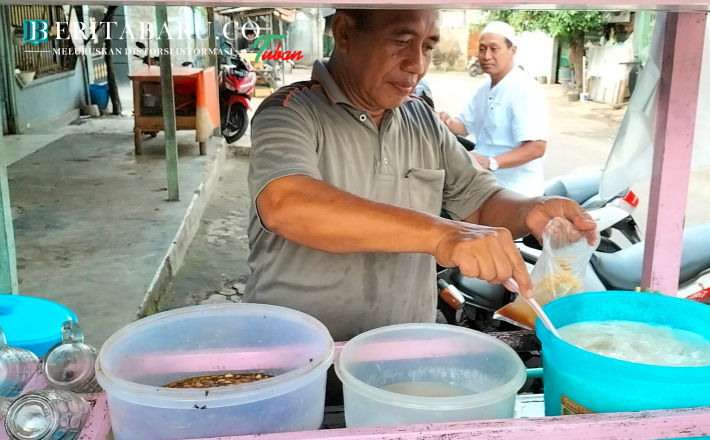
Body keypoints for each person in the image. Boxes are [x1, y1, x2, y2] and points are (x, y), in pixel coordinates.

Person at [244, 9, 596, 343]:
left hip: (402, 355)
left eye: (427, 46)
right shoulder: (290, 111)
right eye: (401, 41)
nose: (418, 65)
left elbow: (481, 202)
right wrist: (443, 235)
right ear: (345, 32)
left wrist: (531, 210)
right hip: (300, 359)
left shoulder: (423, 122)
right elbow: (286, 204)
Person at [439, 21, 549, 197]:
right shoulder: (484, 88)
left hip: (516, 190)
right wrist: (443, 120)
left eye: (494, 49)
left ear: (512, 51)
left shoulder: (525, 89)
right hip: (483, 180)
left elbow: (536, 147)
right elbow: (464, 127)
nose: (486, 56)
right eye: (482, 49)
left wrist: (491, 162)